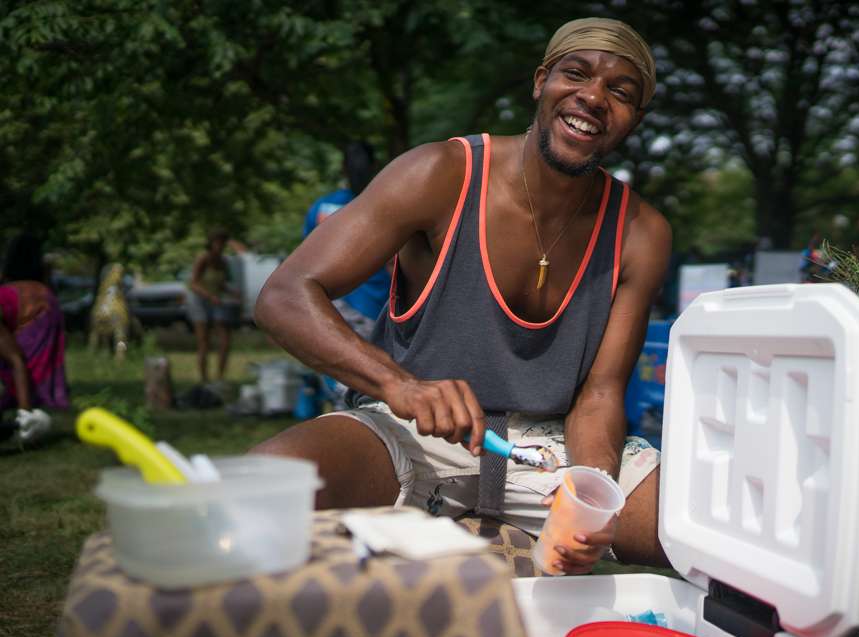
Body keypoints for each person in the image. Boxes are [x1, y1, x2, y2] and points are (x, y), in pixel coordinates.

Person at [252, 17, 671, 574]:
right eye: (577, 73)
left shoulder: (642, 230)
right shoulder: (442, 172)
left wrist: (587, 493)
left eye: (620, 92)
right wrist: (398, 384)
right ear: (541, 80)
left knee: (707, 533)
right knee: (265, 487)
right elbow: (283, 295)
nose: (593, 97)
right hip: (408, 430)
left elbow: (600, 394)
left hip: (551, 448)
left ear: (634, 120)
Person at [303, 141, 392, 339]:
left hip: (330, 305)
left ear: (343, 168)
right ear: (375, 165)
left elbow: (306, 262)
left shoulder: (323, 207)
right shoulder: (387, 203)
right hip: (376, 305)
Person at [0, 233, 69, 443]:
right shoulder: (45, 291)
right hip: (42, 308)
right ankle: (24, 419)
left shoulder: (6, 295)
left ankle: (24, 422)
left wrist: (24, 415)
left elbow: (16, 361)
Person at [186, 230, 239, 382]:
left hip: (216, 300)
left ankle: (220, 377)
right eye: (218, 242)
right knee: (204, 341)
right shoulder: (203, 258)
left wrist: (232, 292)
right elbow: (193, 283)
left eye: (223, 242)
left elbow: (221, 283)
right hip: (199, 300)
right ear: (211, 243)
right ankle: (204, 378)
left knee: (225, 340)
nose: (220, 245)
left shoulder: (224, 262)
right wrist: (209, 296)